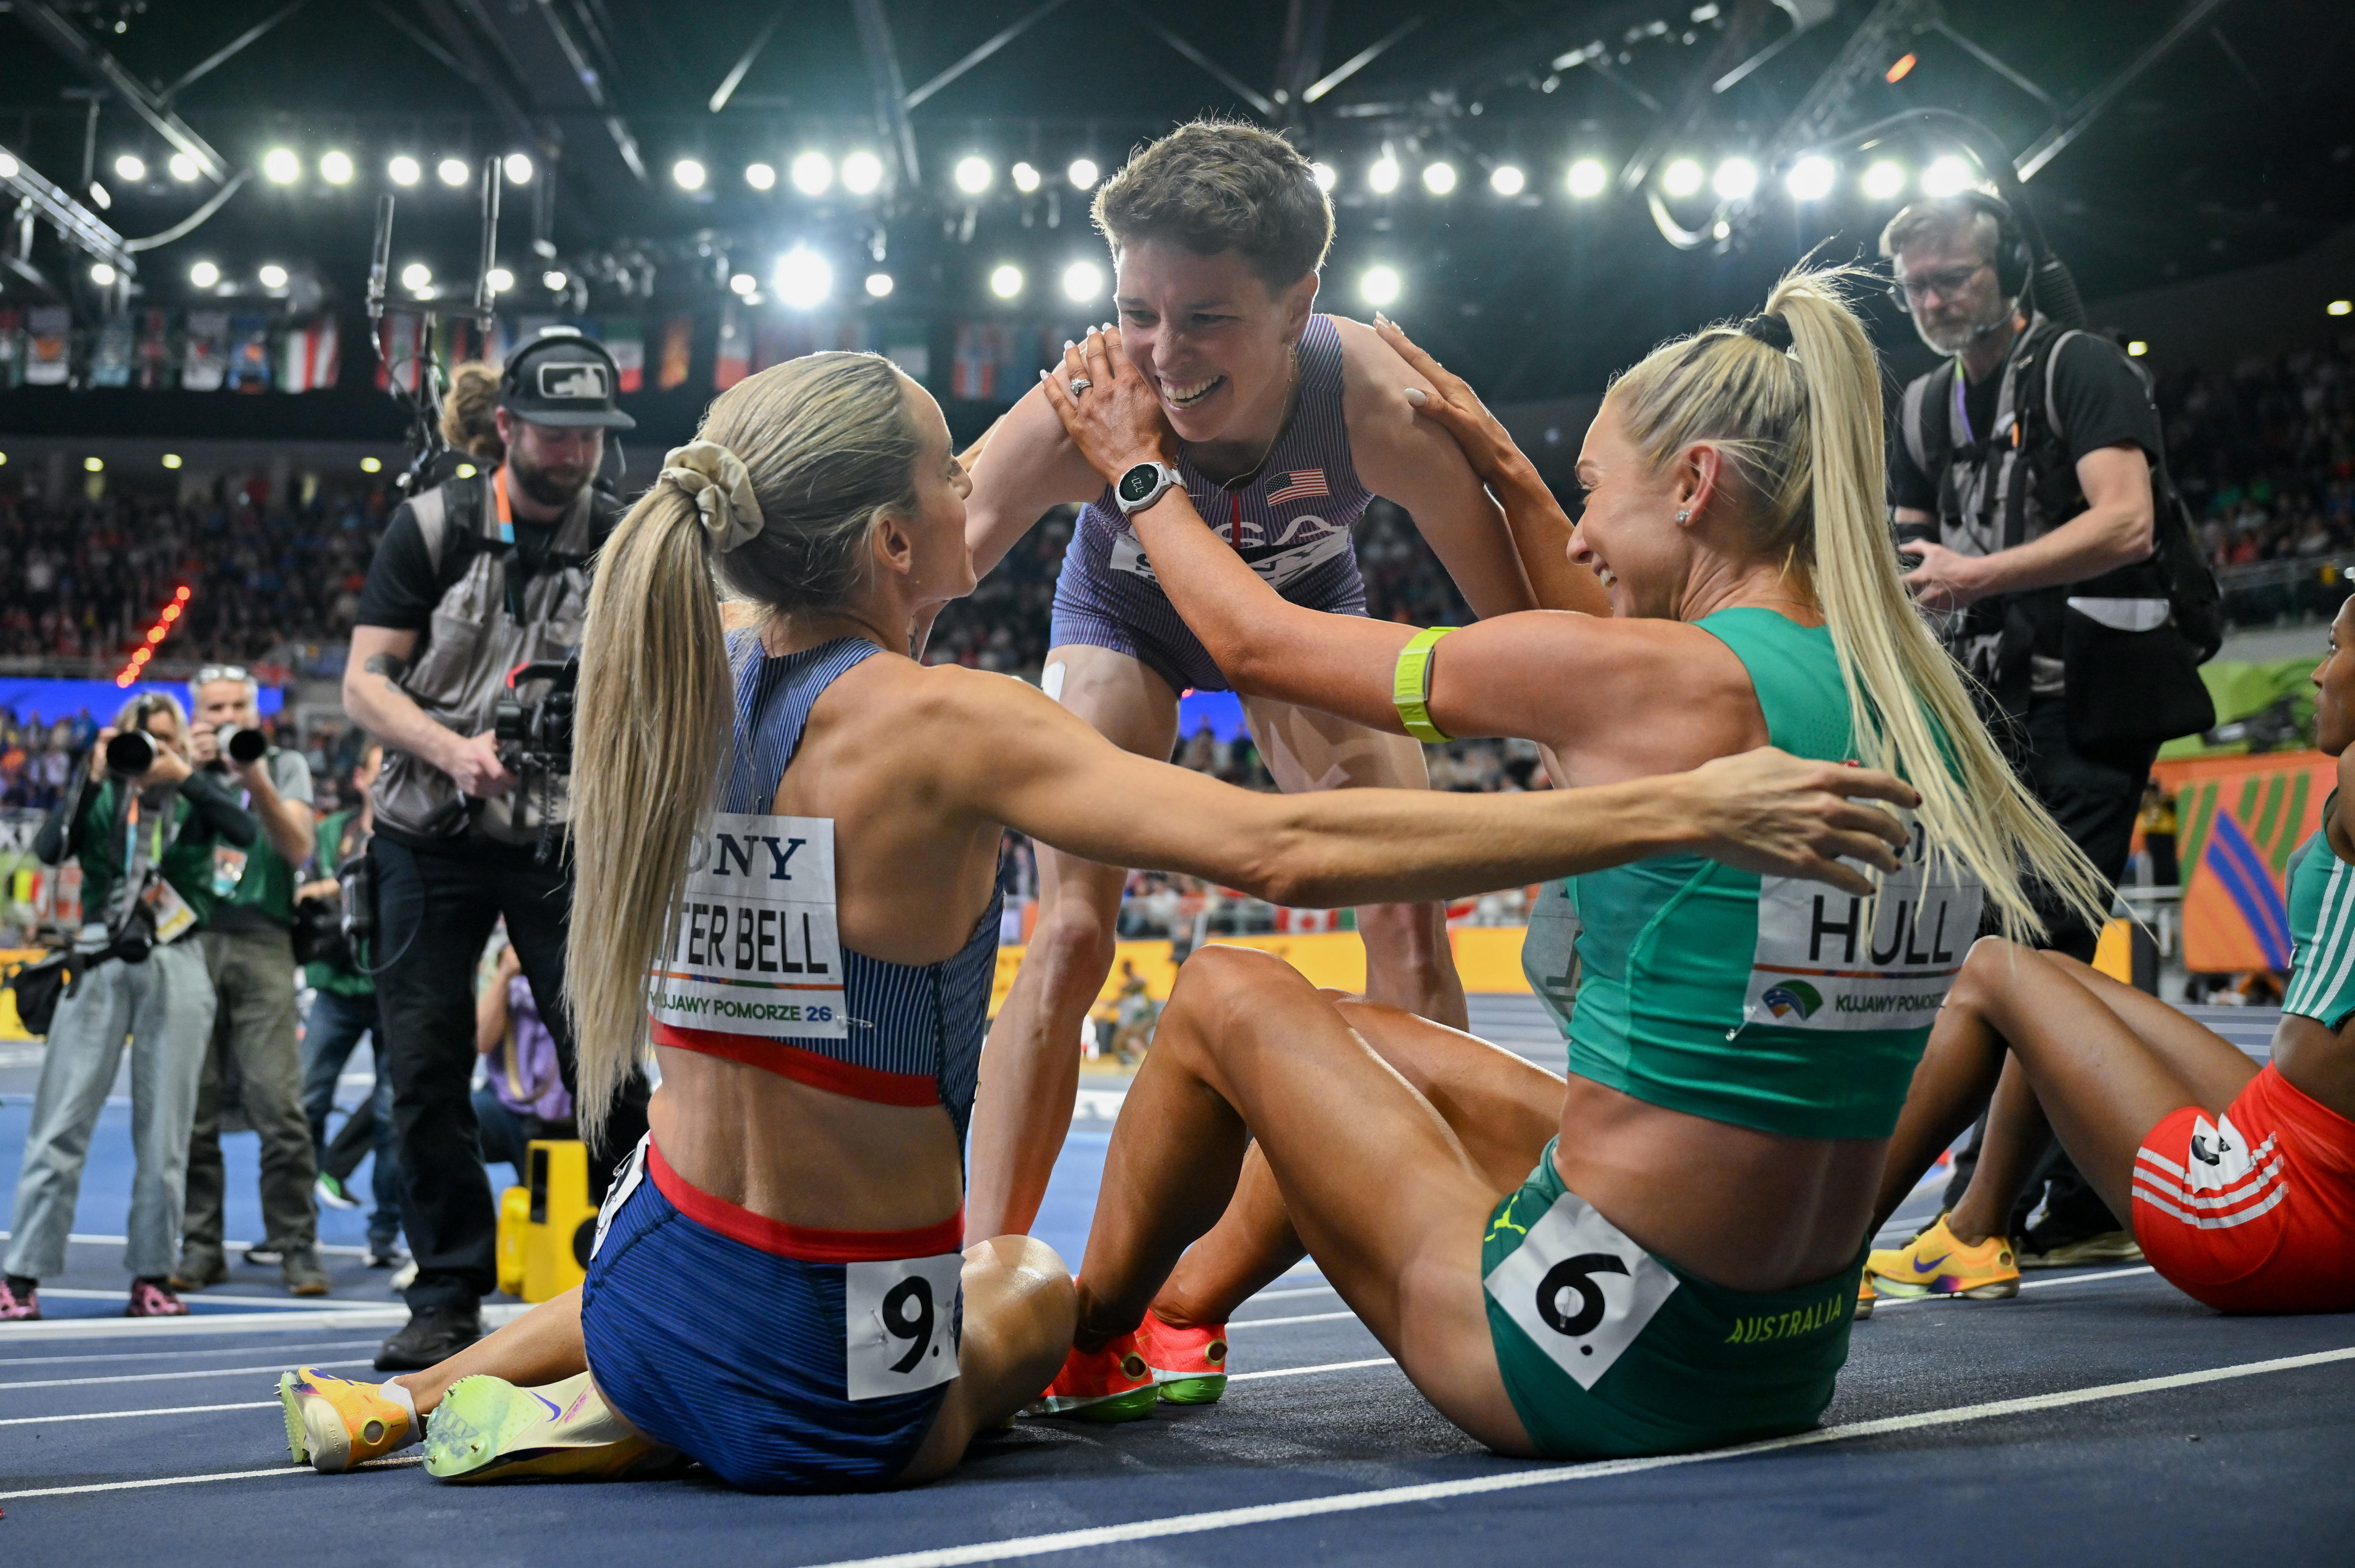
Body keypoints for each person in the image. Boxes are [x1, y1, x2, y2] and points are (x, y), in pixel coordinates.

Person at [272, 349, 1917, 1488]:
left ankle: (421, 1387)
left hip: (657, 1277)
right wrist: (1678, 803)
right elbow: (1280, 847)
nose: (986, 497)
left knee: (686, 1211)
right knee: (1033, 1285)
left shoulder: (667, 661)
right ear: (907, 538)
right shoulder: (944, 719)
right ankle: (635, 1412)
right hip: (838, 1381)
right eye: (954, 475)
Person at [1019, 270, 2102, 1454]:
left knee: (1229, 993)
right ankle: (1181, 1312)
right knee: (1355, 1043)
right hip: (1786, 1355)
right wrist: (1516, 476)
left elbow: (1253, 642)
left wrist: (1139, 470)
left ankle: (1089, 1342)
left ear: (1693, 485)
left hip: (1583, 1358)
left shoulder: (1653, 682)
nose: (1577, 534)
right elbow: (1613, 633)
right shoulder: (1912, 694)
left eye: (1592, 493)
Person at [957, 120, 1608, 1244]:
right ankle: (984, 1265)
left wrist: (1574, 742)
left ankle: (1466, 1244)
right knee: (1066, 934)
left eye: (1207, 316)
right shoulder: (1088, 400)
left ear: (1299, 306)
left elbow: (1512, 607)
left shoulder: (1371, 400)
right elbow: (928, 557)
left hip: (1303, 623)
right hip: (1125, 618)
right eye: (1137, 312)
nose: (1162, 354)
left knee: (1407, 911)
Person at [1864, 596, 2355, 1315]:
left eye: (2337, 649)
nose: (2318, 674)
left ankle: (1814, 1261)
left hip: (2271, 1217)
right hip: (2310, 1152)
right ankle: (1971, 1230)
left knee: (1994, 969)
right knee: (2061, 985)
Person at [1882, 193, 2209, 1263]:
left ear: (2009, 270)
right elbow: (1912, 552)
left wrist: (1976, 573)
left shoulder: (2078, 366)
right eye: (1916, 285)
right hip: (1993, 717)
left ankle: (1985, 1219)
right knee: (2014, 957)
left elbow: (2125, 521)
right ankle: (2081, 1193)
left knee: (2032, 953)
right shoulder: (1926, 405)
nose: (1932, 301)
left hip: (2094, 702)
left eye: (1954, 277)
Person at [341, 327, 650, 1370]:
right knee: (424, 1063)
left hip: (557, 832)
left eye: (591, 437)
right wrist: (453, 749)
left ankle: (638, 1260)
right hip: (425, 827)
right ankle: (446, 1287)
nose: (573, 455)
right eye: (555, 433)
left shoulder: (624, 536)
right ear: (508, 427)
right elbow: (363, 683)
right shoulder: (431, 527)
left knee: (603, 1054)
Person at [2, 694, 257, 1320]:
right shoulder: (105, 791)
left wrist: (188, 777)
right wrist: (91, 779)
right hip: (98, 954)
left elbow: (246, 832)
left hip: (178, 957)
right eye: (145, 739)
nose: (152, 752)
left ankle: (151, 1276)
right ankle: (20, 1278)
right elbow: (52, 849)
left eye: (167, 740)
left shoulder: (197, 795)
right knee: (59, 1123)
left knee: (166, 1132)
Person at [172, 667, 327, 1297]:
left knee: (279, 1103)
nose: (229, 714)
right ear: (196, 716)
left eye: (240, 704)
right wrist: (185, 771)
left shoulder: (283, 763)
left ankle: (295, 1245)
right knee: (193, 1107)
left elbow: (297, 849)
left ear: (257, 711)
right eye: (216, 707)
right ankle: (200, 1244)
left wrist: (251, 773)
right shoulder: (175, 765)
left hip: (265, 936)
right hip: (188, 939)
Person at [296, 741, 405, 1269]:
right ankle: (299, 1229)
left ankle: (384, 1232)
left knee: (392, 1114)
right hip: (335, 983)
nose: (385, 775)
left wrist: (336, 885)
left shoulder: (415, 833)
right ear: (360, 778)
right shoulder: (329, 830)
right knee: (308, 1100)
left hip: (394, 987)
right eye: (377, 767)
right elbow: (304, 892)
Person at [471, 938, 572, 1178]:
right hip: (508, 1104)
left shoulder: (580, 955)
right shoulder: (500, 956)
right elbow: (482, 1042)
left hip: (571, 1106)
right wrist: (505, 975)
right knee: (448, 1121)